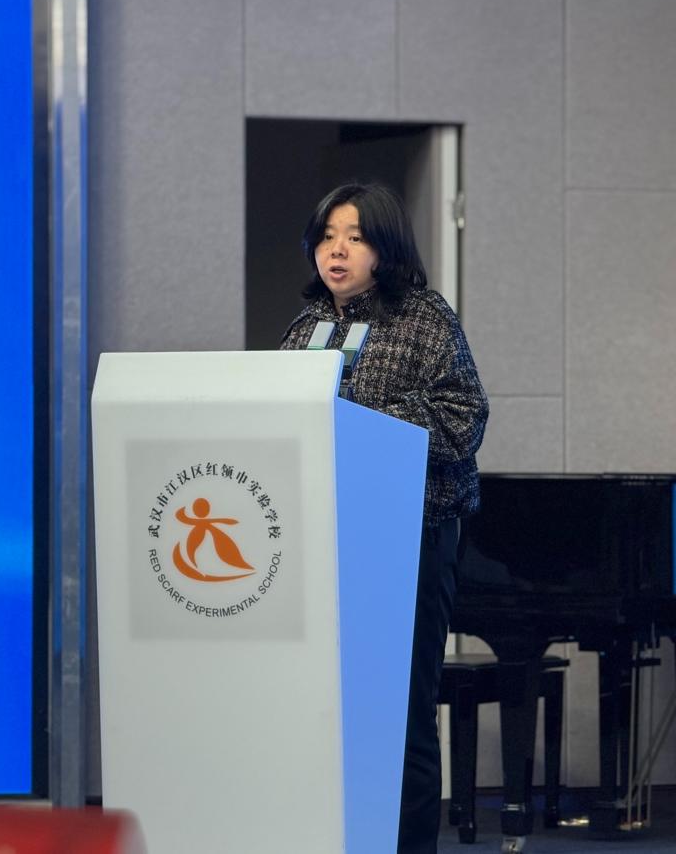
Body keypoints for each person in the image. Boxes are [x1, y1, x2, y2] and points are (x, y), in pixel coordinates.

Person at [279, 182, 489, 854]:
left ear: (385, 246)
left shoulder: (423, 319)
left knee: (400, 716)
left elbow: (463, 418)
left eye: (354, 237)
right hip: (320, 543)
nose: (336, 251)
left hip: (408, 540)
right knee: (323, 712)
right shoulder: (306, 327)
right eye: (326, 236)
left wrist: (362, 423)